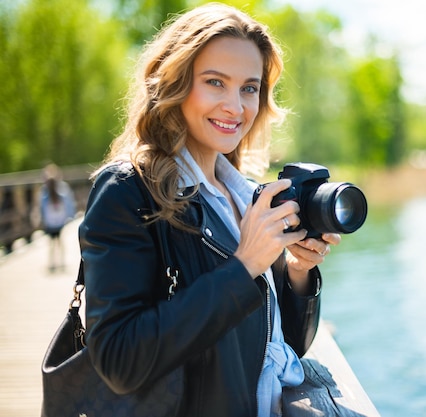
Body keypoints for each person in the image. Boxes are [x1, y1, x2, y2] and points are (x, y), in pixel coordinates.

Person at [78, 3, 341, 416]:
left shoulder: (245, 195)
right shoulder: (129, 191)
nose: (235, 107)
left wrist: (297, 273)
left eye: (249, 88)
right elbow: (119, 361)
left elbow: (279, 343)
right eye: (215, 82)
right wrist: (243, 266)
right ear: (175, 83)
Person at [40, 163, 76, 272]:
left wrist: (42, 219)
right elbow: (69, 203)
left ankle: (52, 262)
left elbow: (41, 207)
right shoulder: (62, 188)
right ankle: (61, 262)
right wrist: (70, 216)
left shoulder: (45, 190)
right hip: (60, 219)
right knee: (60, 242)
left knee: (51, 243)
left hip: (50, 221)